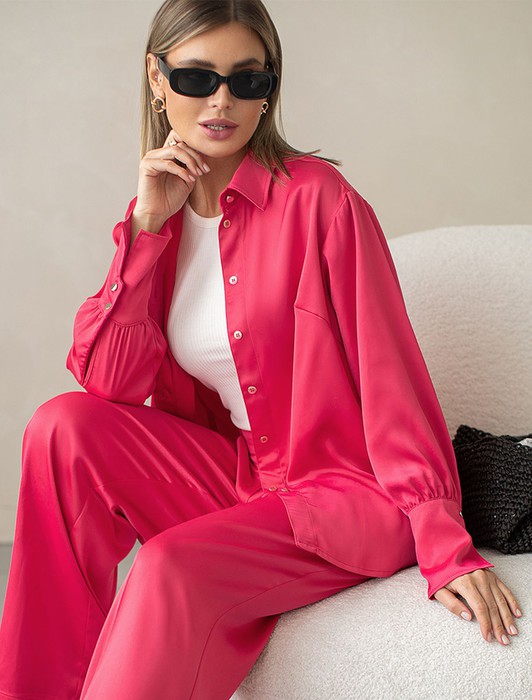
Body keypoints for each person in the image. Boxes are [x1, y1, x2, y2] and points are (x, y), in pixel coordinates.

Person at [0, 0, 523, 698]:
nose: (223, 101)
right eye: (197, 78)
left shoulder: (322, 202)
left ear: (269, 89)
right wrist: (147, 229)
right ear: (156, 80)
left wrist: (445, 544)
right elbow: (111, 385)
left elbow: (391, 379)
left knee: (173, 564)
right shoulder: (158, 214)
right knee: (60, 427)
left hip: (346, 496)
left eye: (247, 80)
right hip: (247, 476)